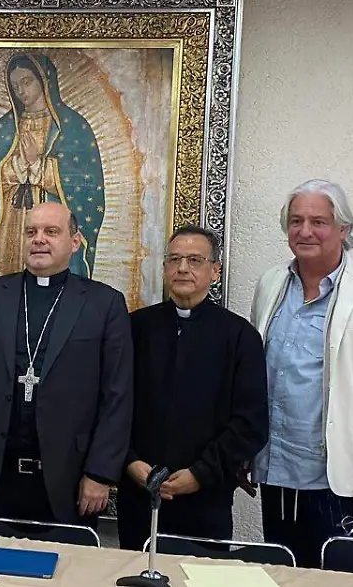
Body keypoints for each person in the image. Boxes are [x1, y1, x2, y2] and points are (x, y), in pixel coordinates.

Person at [247, 179, 353, 568]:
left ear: (343, 229)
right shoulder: (271, 284)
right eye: (296, 221)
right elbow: (255, 375)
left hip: (338, 480)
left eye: (318, 222)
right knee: (280, 575)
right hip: (275, 470)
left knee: (335, 577)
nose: (305, 231)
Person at [0, 201, 133, 525]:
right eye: (31, 232)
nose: (39, 239)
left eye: (51, 232)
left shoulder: (104, 303)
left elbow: (117, 397)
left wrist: (100, 473)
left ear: (75, 242)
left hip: (67, 480)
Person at [118, 225, 269, 552]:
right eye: (174, 260)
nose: (182, 268)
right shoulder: (134, 328)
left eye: (194, 260)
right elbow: (112, 405)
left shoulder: (239, 336)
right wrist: (130, 462)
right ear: (164, 268)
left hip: (206, 499)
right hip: (138, 493)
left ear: (215, 271)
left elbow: (250, 423)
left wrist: (200, 474)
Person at [0, 52, 104, 281]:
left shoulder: (72, 126)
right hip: (9, 224)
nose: (21, 91)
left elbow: (88, 185)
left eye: (27, 82)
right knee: (4, 284)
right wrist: (17, 167)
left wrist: (39, 165)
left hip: (52, 223)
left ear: (44, 80)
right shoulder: (4, 128)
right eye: (15, 86)